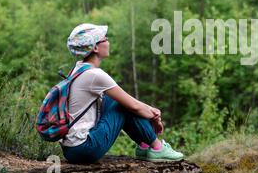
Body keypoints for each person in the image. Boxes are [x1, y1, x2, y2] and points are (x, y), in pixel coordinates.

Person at [61, 23, 183, 164]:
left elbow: (131, 103)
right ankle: (157, 147)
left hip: (71, 150)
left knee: (113, 100)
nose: (108, 41)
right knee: (121, 105)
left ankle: (145, 145)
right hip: (85, 148)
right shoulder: (94, 75)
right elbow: (133, 106)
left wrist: (151, 112)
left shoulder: (78, 70)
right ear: (95, 47)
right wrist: (155, 116)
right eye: (104, 38)